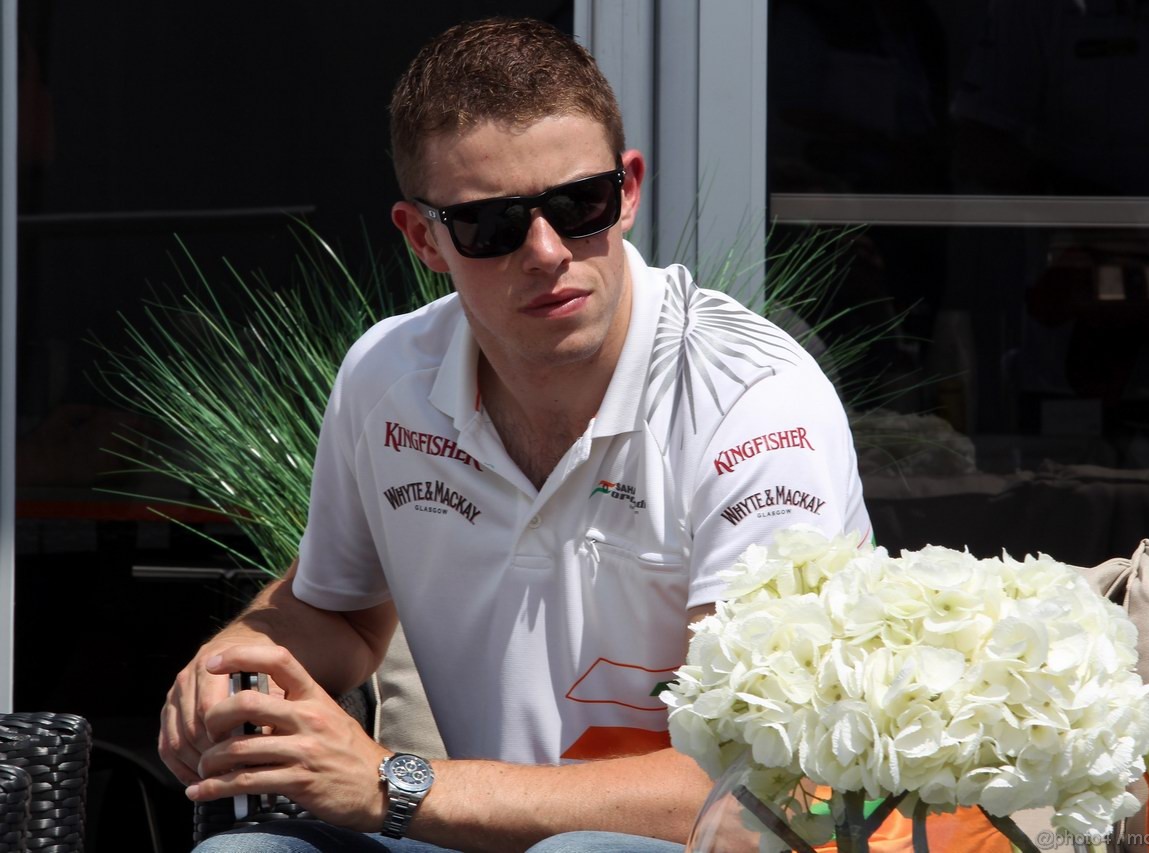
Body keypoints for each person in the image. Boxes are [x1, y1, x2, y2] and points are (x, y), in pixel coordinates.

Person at [159, 17, 873, 853]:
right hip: (472, 829)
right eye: (492, 225)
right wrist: (238, 655)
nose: (546, 252)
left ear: (630, 189)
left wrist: (393, 782)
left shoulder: (751, 399)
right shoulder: (388, 377)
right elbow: (341, 620)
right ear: (424, 237)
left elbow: (764, 789)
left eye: (580, 205)